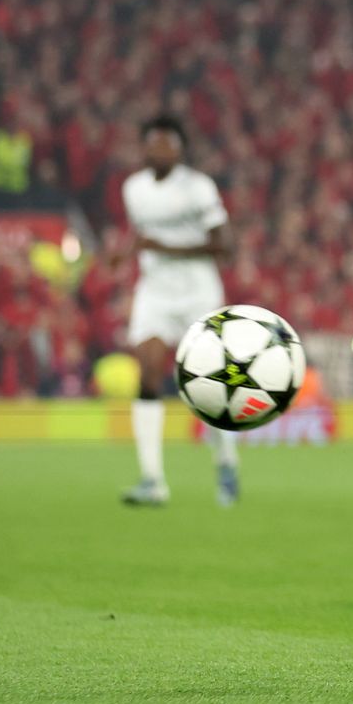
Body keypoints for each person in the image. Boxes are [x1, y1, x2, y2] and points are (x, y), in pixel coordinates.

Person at [117, 115, 239, 507]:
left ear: (180, 148)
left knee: (207, 383)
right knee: (148, 373)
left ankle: (225, 460)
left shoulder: (198, 187)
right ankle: (153, 480)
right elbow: (142, 237)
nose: (158, 150)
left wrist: (164, 248)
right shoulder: (132, 189)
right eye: (151, 143)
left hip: (198, 293)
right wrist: (127, 252)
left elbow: (224, 245)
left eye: (166, 143)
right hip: (155, 293)